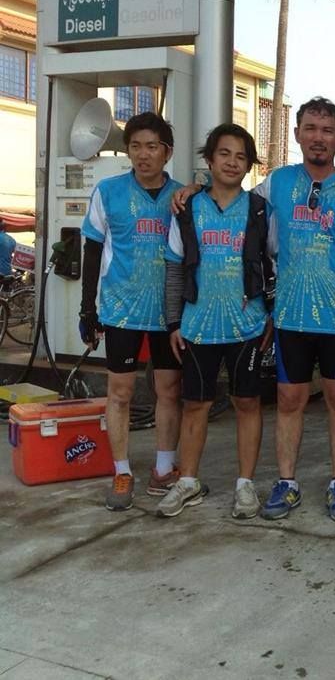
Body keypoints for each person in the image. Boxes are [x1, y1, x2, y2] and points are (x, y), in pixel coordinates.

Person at [174, 97, 335, 521]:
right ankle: (287, 482)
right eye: (310, 128)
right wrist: (194, 187)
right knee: (288, 399)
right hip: (289, 317)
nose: (318, 137)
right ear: (297, 133)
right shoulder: (276, 183)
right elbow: (231, 197)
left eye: (327, 130)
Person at [157, 123, 274, 519]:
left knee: (248, 402)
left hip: (247, 324)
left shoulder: (259, 210)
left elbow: (272, 263)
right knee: (196, 403)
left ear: (249, 166)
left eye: (241, 157)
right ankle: (187, 481)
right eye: (224, 153)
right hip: (198, 325)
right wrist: (174, 323)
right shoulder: (187, 208)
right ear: (209, 159)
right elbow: (174, 267)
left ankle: (245, 485)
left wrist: (270, 314)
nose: (232, 162)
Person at [78, 112, 184, 511]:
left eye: (152, 146)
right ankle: (122, 472)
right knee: (120, 393)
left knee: (168, 391)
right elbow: (91, 249)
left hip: (168, 313)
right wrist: (87, 310)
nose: (143, 154)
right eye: (136, 146)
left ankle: (163, 469)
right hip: (120, 309)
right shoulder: (108, 192)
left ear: (167, 152)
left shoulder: (182, 198)